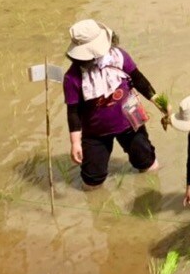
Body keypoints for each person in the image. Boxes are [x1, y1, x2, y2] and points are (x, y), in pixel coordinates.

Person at [63, 19, 161, 188]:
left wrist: (159, 102)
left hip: (131, 121)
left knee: (148, 164)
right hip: (95, 133)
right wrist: (75, 143)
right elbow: (73, 112)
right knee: (92, 181)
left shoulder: (119, 56)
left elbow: (139, 80)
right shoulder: (72, 77)